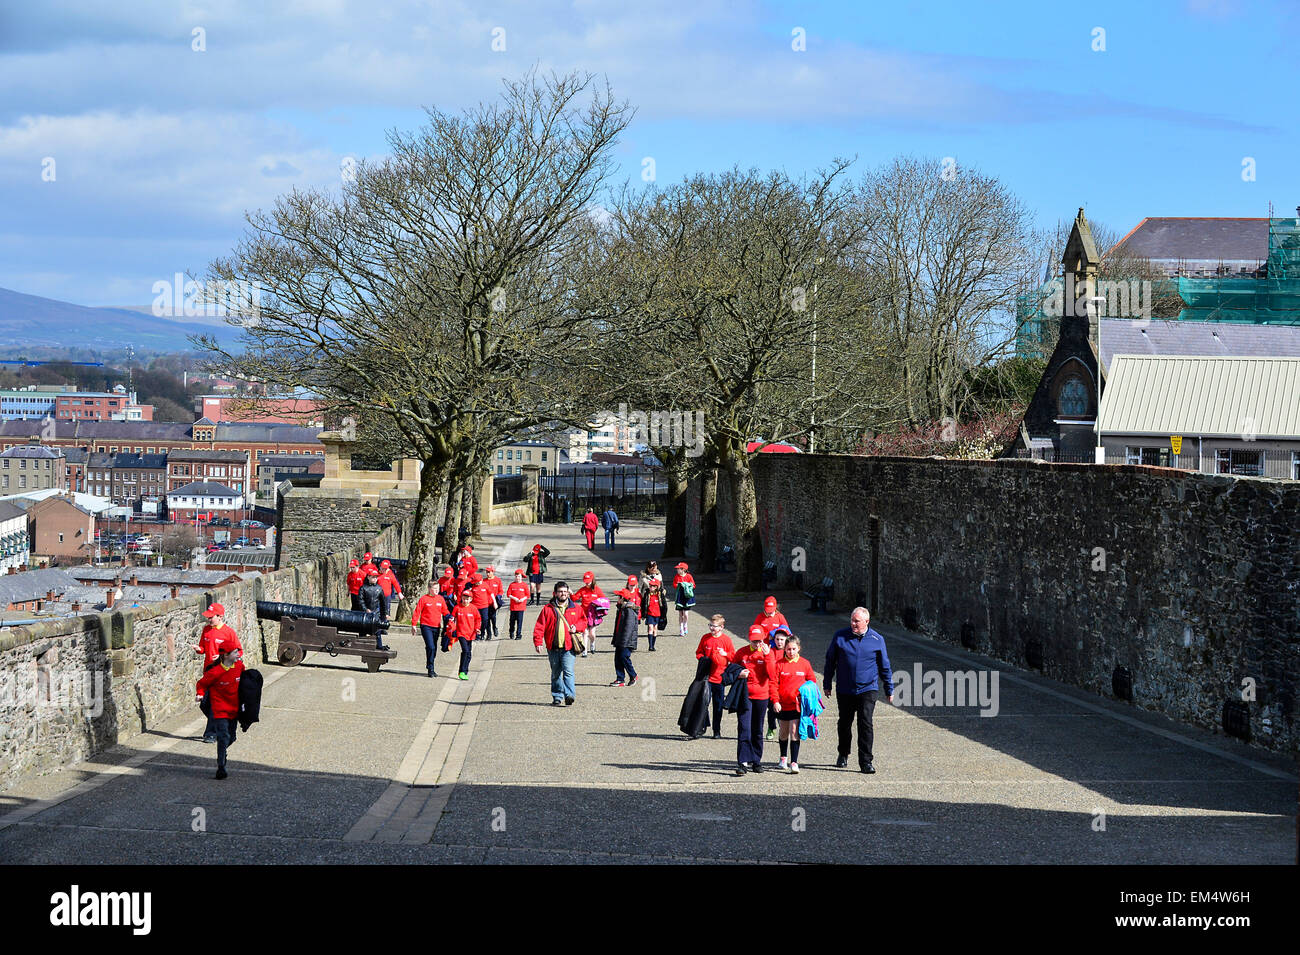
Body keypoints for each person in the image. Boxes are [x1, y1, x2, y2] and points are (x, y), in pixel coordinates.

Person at [824, 607, 893, 774]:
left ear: (866, 622)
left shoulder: (877, 639)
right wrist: (827, 683)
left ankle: (866, 761)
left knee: (865, 724)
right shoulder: (840, 636)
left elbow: (885, 666)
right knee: (845, 723)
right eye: (852, 620)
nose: (853, 623)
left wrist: (889, 688)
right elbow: (830, 660)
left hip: (867, 689)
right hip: (845, 688)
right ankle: (843, 753)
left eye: (857, 621)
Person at [192, 602, 242, 743]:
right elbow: (203, 648)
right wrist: (198, 649)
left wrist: (222, 657)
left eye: (211, 617)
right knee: (204, 704)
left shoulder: (228, 632)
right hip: (209, 671)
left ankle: (211, 734)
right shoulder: (206, 630)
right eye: (208, 617)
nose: (208, 620)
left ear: (220, 617)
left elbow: (239, 651)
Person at [733, 625, 778, 776]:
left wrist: (767, 657)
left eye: (759, 641)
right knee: (744, 728)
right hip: (745, 695)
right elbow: (732, 669)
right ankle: (743, 762)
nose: (757, 644)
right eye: (754, 641)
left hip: (761, 695)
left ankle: (756, 761)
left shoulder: (768, 653)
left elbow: (772, 675)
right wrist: (739, 673)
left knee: (757, 730)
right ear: (749, 638)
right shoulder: (742, 652)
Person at [533, 581, 587, 705]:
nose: (563, 594)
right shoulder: (548, 609)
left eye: (565, 591)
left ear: (568, 593)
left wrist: (576, 627)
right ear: (555, 593)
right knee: (556, 673)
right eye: (560, 591)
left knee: (568, 671)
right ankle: (557, 696)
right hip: (553, 647)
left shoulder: (576, 608)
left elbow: (584, 622)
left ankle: (569, 695)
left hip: (569, 647)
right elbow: (540, 626)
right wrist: (538, 642)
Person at [195, 644, 243, 780]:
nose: (238, 654)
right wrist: (200, 694)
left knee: (231, 737)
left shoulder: (239, 667)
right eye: (235, 652)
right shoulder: (215, 672)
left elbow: (245, 682)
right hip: (219, 710)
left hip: (234, 710)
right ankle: (221, 766)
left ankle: (223, 752)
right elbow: (202, 684)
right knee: (223, 737)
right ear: (226, 655)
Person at [773, 636, 817, 773]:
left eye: (793, 649)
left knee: (794, 731)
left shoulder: (805, 664)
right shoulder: (779, 664)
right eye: (788, 649)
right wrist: (775, 700)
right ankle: (783, 758)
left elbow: (812, 682)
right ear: (784, 649)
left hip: (797, 705)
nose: (791, 652)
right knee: (783, 732)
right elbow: (773, 684)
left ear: (799, 648)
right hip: (782, 705)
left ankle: (794, 762)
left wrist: (806, 695)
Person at [694, 613, 735, 739]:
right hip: (706, 677)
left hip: (719, 679)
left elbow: (733, 657)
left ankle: (717, 730)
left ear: (722, 627)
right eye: (710, 625)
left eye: (715, 626)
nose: (712, 628)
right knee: (703, 703)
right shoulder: (705, 638)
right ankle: (702, 727)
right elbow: (699, 652)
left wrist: (725, 654)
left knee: (717, 706)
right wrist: (703, 659)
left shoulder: (726, 640)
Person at [411, 580, 448, 678]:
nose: (437, 590)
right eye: (435, 589)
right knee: (430, 646)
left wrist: (450, 617)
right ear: (429, 589)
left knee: (433, 648)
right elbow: (417, 612)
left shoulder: (440, 599)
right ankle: (431, 669)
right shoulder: (424, 599)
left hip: (436, 626)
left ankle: (429, 663)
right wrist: (414, 624)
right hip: (426, 626)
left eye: (438, 589)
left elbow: (445, 611)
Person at [445, 583, 481, 680]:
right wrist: (451, 623)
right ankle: (462, 671)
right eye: (464, 598)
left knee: (468, 653)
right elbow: (452, 618)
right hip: (461, 633)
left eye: (467, 599)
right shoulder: (457, 607)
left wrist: (477, 628)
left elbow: (478, 619)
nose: (465, 600)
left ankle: (465, 671)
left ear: (471, 599)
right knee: (465, 650)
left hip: (471, 633)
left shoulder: (473, 608)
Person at [609, 584, 640, 686]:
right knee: (618, 658)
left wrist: (624, 642)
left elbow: (629, 628)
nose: (617, 599)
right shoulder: (622, 608)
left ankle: (633, 675)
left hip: (626, 641)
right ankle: (620, 679)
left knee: (624, 657)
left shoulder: (629, 610)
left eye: (619, 597)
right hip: (620, 639)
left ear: (623, 599)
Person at [764, 627, 790, 741]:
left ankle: (783, 729)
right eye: (777, 639)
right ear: (774, 640)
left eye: (782, 640)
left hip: (785, 685)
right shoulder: (771, 651)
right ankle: (771, 727)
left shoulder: (789, 652)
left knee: (785, 709)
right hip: (772, 685)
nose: (779, 642)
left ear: (786, 640)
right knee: (772, 709)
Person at [573, 571, 606, 658]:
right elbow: (574, 598)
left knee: (592, 633)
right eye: (585, 581)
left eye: (588, 581)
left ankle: (592, 643)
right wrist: (570, 592)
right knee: (585, 632)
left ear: (592, 580)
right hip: (583, 614)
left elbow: (604, 600)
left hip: (593, 615)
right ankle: (585, 651)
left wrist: (598, 605)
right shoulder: (582, 590)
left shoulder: (597, 589)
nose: (587, 583)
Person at [359, 570, 390, 651]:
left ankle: (379, 645)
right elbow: (361, 601)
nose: (375, 579)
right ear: (368, 577)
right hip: (365, 614)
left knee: (377, 631)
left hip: (376, 613)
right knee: (363, 630)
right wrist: (365, 609)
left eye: (376, 577)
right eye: (373, 577)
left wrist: (385, 614)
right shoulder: (363, 588)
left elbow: (383, 603)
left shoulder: (379, 589)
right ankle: (361, 645)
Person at [640, 575, 667, 652]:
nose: (651, 587)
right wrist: (643, 614)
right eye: (650, 585)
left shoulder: (660, 595)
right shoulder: (647, 594)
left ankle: (653, 644)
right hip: (650, 614)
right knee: (650, 628)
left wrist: (664, 615)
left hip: (658, 614)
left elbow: (664, 605)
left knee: (655, 629)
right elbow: (643, 604)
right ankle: (650, 646)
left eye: (653, 586)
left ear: (656, 587)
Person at [671, 561, 696, 637]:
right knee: (680, 613)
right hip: (680, 596)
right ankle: (681, 628)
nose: (677, 570)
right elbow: (674, 584)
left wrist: (687, 585)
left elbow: (693, 585)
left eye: (679, 569)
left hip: (687, 597)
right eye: (677, 569)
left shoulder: (689, 576)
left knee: (686, 614)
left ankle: (685, 624)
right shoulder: (676, 577)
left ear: (683, 569)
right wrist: (678, 585)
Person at [469, 573, 494, 641]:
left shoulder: (485, 585)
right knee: (476, 621)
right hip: (475, 606)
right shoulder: (473, 587)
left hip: (484, 606)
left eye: (477, 582)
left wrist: (494, 602)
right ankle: (477, 635)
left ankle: (486, 633)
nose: (476, 584)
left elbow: (491, 593)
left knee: (485, 620)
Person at [506, 568, 530, 639]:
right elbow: (508, 594)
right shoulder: (512, 585)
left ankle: (518, 634)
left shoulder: (524, 585)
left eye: (519, 576)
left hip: (521, 607)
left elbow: (527, 595)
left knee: (519, 621)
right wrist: (514, 598)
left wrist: (522, 599)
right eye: (516, 576)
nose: (517, 578)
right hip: (513, 607)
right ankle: (511, 632)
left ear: (521, 577)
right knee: (512, 621)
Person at [483, 565, 504, 640]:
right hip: (485, 603)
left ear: (493, 572)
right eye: (487, 572)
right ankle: (489, 634)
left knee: (493, 617)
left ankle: (494, 627)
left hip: (493, 603)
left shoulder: (497, 580)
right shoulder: (484, 581)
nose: (488, 574)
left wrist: (499, 596)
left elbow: (501, 590)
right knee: (486, 619)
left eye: (489, 572)